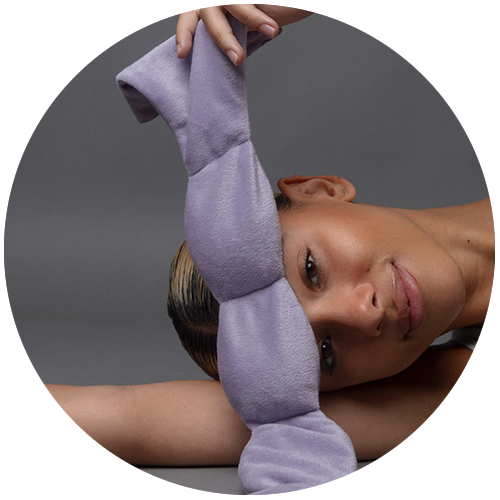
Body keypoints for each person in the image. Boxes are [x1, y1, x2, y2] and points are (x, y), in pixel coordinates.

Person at [45, 5, 493, 469]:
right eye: (324, 354)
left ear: (319, 189)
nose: (363, 314)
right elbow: (127, 419)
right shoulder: (446, 398)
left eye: (311, 270)